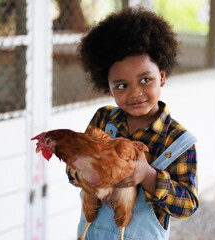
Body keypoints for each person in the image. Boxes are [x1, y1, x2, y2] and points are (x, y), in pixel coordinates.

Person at [68, 6, 198, 240]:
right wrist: (88, 171)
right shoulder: (102, 120)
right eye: (122, 85)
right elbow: (71, 171)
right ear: (107, 87)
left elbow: (187, 206)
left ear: (162, 77)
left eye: (145, 80)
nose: (135, 93)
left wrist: (147, 175)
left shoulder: (178, 140)